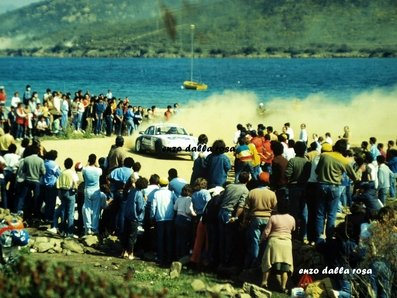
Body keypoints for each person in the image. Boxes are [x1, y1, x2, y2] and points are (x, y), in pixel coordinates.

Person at [314, 139, 363, 243]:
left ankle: (318, 239)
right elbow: (353, 177)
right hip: (335, 187)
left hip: (321, 186)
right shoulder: (344, 160)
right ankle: (329, 238)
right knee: (331, 214)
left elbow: (317, 171)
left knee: (320, 213)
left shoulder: (324, 156)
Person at [260, 199, 295, 294]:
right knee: (285, 266)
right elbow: (293, 229)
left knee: (267, 263)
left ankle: (264, 282)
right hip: (287, 244)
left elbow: (267, 231)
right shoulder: (292, 218)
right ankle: (283, 287)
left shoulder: (273, 218)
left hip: (274, 242)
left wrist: (262, 239)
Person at [217, 171, 249, 267]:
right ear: (248, 180)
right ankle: (225, 262)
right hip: (230, 213)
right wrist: (235, 217)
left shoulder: (229, 186)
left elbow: (220, 199)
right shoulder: (245, 190)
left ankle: (219, 260)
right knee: (228, 239)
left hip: (221, 211)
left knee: (221, 237)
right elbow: (241, 206)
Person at [243, 183, 277, 269]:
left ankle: (254, 261)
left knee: (255, 241)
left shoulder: (252, 192)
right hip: (268, 219)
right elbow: (275, 209)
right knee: (265, 242)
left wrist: (245, 220)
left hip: (255, 218)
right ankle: (262, 262)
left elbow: (246, 208)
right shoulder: (272, 193)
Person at [285, 141, 311, 241]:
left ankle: (294, 233)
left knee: (294, 212)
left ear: (295, 150)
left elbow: (287, 174)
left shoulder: (292, 161)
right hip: (305, 188)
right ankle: (303, 234)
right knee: (304, 212)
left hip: (294, 188)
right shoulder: (308, 162)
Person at [151, 177, 176, 266]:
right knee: (169, 238)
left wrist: (152, 217)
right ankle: (169, 257)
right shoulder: (171, 194)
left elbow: (153, 207)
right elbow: (175, 203)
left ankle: (160, 257)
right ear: (167, 184)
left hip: (159, 218)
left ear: (159, 184)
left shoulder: (156, 194)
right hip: (170, 218)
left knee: (160, 238)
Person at [121, 177, 148, 260]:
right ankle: (130, 253)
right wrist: (145, 202)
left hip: (127, 215)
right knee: (132, 236)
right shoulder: (139, 194)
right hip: (134, 217)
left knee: (126, 234)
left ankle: (124, 251)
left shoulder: (132, 191)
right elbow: (140, 207)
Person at [56, 158, 79, 238]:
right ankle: (70, 233)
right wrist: (75, 191)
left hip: (62, 192)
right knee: (70, 213)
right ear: (72, 165)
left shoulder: (62, 173)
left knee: (63, 212)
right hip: (70, 192)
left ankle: (62, 231)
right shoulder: (72, 173)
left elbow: (58, 184)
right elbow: (75, 184)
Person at [82, 153, 103, 235]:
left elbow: (84, 169)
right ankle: (95, 228)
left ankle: (88, 228)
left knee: (87, 209)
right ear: (95, 160)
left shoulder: (85, 169)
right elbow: (99, 170)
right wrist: (96, 164)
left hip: (87, 190)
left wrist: (88, 163)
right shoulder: (98, 170)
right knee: (96, 210)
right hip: (96, 191)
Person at [174, 184, 196, 259]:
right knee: (184, 239)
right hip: (185, 219)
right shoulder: (189, 199)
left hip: (177, 218)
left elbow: (175, 208)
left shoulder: (179, 198)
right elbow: (187, 210)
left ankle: (177, 254)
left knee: (178, 238)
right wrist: (194, 214)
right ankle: (183, 256)